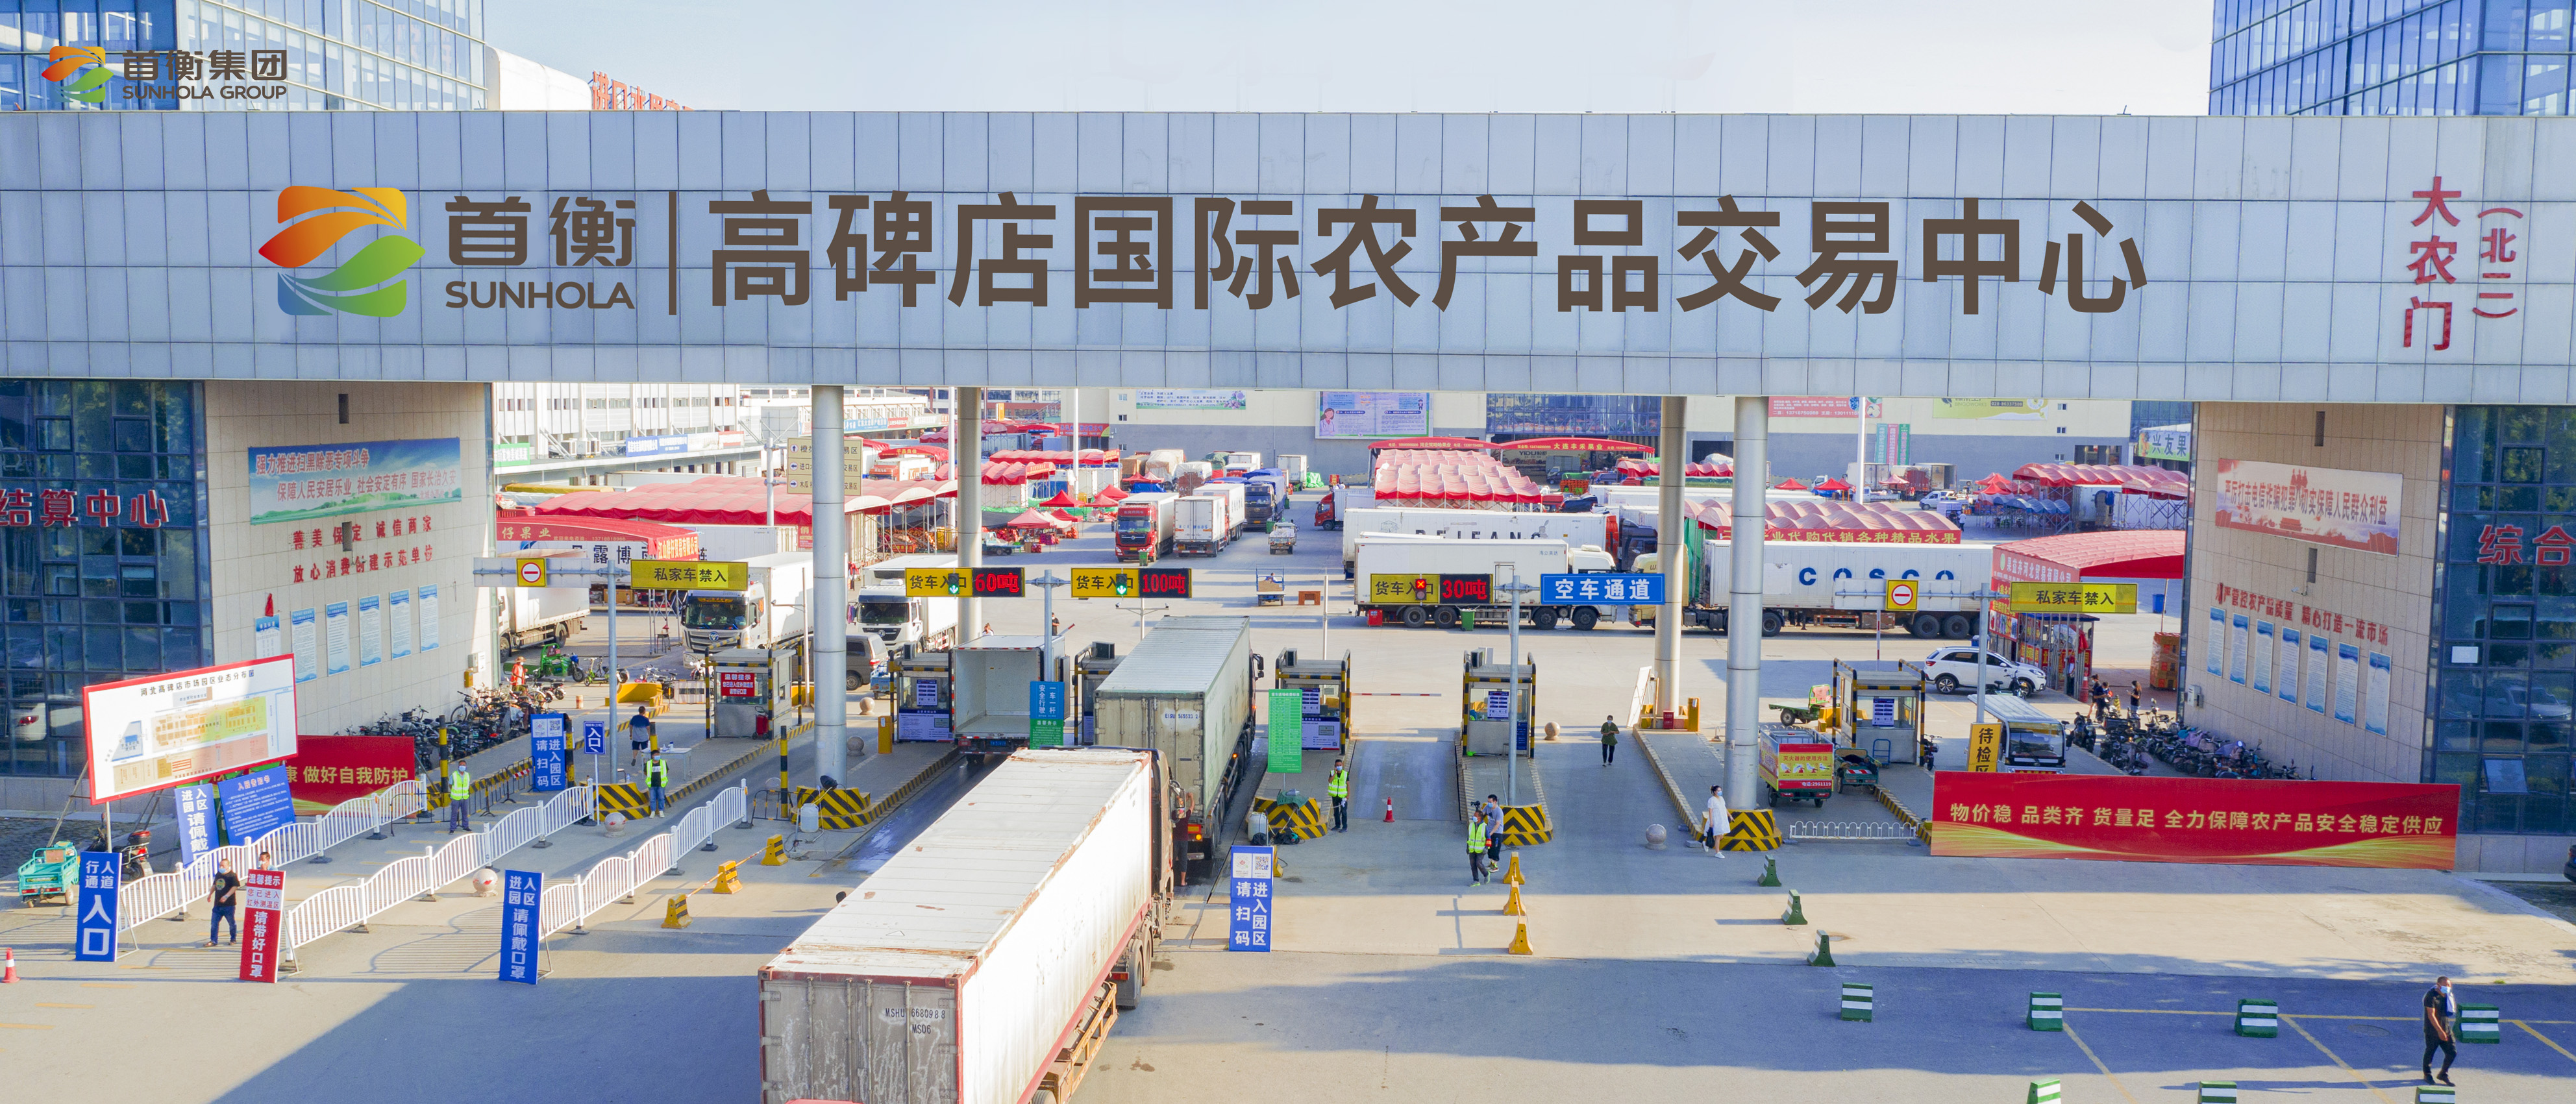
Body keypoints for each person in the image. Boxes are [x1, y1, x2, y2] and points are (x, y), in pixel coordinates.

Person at [2423, 975, 2458, 1085]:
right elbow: (2431, 1015)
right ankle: (2427, 1074)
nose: (2448, 987)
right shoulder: (2431, 996)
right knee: (2430, 1052)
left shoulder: (2448, 996)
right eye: (2446, 985)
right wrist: (2439, 1031)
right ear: (2438, 985)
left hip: (2446, 1028)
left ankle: (2443, 1073)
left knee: (2452, 1052)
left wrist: (2444, 1031)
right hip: (2433, 1030)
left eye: (2449, 985)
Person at [205, 859, 240, 947]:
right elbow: (215, 885)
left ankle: (233, 939)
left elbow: (235, 887)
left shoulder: (232, 876)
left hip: (229, 905)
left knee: (231, 923)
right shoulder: (219, 874)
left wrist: (226, 896)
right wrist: (210, 894)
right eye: (220, 865)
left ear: (228, 866)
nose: (221, 867)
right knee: (214, 923)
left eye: (223, 866)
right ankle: (213, 940)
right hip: (217, 905)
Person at [1703, 785, 1729, 855]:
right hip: (1715, 819)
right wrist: (1711, 821)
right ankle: (1717, 852)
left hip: (1722, 819)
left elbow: (1724, 807)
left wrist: (1730, 816)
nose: (1720, 792)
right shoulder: (1711, 800)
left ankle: (1706, 844)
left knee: (1721, 836)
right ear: (1714, 792)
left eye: (1720, 790)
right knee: (1718, 836)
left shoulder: (1721, 799)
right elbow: (1710, 811)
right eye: (1718, 791)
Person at [627, 705, 655, 770]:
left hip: (635, 737)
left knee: (635, 748)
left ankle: (634, 758)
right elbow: (648, 728)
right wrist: (650, 736)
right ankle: (644, 761)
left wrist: (631, 734)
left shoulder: (634, 718)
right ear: (644, 711)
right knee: (644, 750)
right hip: (643, 738)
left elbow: (631, 726)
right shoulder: (646, 719)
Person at [445, 764, 472, 832]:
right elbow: (450, 785)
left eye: (464, 765)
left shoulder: (467, 775)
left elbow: (467, 785)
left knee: (465, 813)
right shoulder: (454, 775)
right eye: (461, 765)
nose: (462, 766)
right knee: (454, 814)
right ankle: (452, 828)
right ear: (458, 766)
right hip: (456, 798)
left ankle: (465, 826)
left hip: (465, 798)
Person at [1326, 759, 1350, 832]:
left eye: (1340, 765)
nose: (1339, 767)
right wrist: (1335, 774)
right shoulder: (1332, 773)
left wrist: (1348, 796)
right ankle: (1337, 825)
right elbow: (1330, 781)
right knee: (1336, 811)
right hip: (1335, 796)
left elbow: (1348, 785)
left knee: (1344, 812)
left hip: (1343, 797)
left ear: (1342, 765)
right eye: (1338, 766)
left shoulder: (1345, 774)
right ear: (1335, 766)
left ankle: (1345, 827)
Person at [1466, 815, 1489, 886]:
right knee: (1473, 865)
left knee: (1478, 863)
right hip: (1472, 849)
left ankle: (1486, 874)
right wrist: (1468, 847)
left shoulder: (1484, 827)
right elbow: (1469, 837)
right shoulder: (1471, 826)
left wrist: (1486, 848)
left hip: (1481, 850)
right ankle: (1476, 880)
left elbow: (1488, 838)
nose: (1474, 818)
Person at [1483, 795, 1504, 868]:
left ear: (1495, 802)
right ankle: (1491, 864)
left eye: (1490, 802)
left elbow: (1497, 825)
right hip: (1489, 831)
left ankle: (1495, 866)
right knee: (1490, 849)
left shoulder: (1499, 811)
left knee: (1495, 849)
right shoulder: (1487, 807)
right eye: (1488, 802)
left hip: (1497, 833)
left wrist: (1490, 834)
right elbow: (1482, 814)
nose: (1489, 803)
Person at [645, 752, 670, 816]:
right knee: (652, 799)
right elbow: (645, 772)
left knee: (661, 798)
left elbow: (667, 771)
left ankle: (661, 811)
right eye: (656, 755)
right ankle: (653, 812)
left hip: (661, 784)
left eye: (658, 755)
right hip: (652, 784)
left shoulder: (663, 763)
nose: (658, 756)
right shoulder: (648, 763)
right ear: (652, 756)